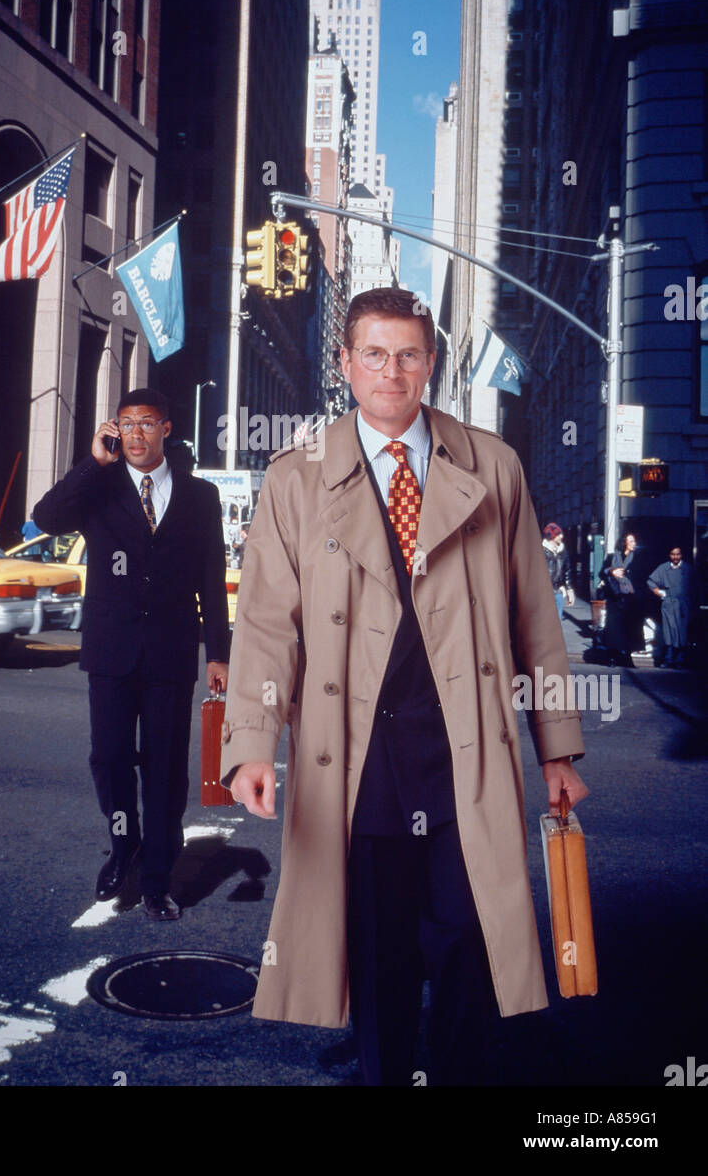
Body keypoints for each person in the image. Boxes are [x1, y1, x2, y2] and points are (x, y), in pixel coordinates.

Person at [221, 288, 587, 1087]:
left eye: (409, 354)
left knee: (468, 943)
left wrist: (557, 748)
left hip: (466, 754)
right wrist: (250, 745)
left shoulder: (493, 466)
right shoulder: (295, 478)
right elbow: (265, 629)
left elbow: (535, 615)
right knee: (378, 955)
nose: (392, 371)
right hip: (357, 760)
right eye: (375, 355)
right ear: (346, 365)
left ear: (430, 365)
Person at [33, 388, 229, 921]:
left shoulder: (200, 497)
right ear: (115, 430)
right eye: (126, 424)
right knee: (111, 759)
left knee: (165, 769)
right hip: (110, 649)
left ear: (166, 428)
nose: (136, 433)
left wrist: (218, 652)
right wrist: (92, 461)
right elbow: (46, 517)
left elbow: (212, 579)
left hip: (170, 652)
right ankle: (125, 847)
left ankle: (158, 880)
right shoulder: (99, 489)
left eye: (146, 423)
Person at [600, 532, 647, 665]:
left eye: (634, 541)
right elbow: (601, 572)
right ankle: (612, 657)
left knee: (630, 629)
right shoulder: (612, 557)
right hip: (615, 598)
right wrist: (611, 571)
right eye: (631, 541)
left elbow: (641, 577)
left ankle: (627, 657)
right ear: (624, 543)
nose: (634, 544)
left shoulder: (637, 558)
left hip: (631, 600)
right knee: (614, 630)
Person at [647, 546, 697, 668]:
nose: (675, 557)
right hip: (668, 604)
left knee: (682, 632)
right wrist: (657, 592)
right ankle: (668, 659)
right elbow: (650, 581)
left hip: (683, 605)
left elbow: (696, 588)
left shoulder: (688, 569)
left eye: (678, 554)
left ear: (681, 555)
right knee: (668, 631)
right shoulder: (663, 568)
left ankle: (680, 659)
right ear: (669, 555)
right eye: (673, 554)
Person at [542, 522, 573, 622]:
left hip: (557, 592)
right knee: (544, 624)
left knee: (557, 624)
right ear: (552, 536)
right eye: (558, 534)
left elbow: (567, 571)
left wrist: (569, 589)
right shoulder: (540, 550)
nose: (561, 536)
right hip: (543, 593)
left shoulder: (562, 551)